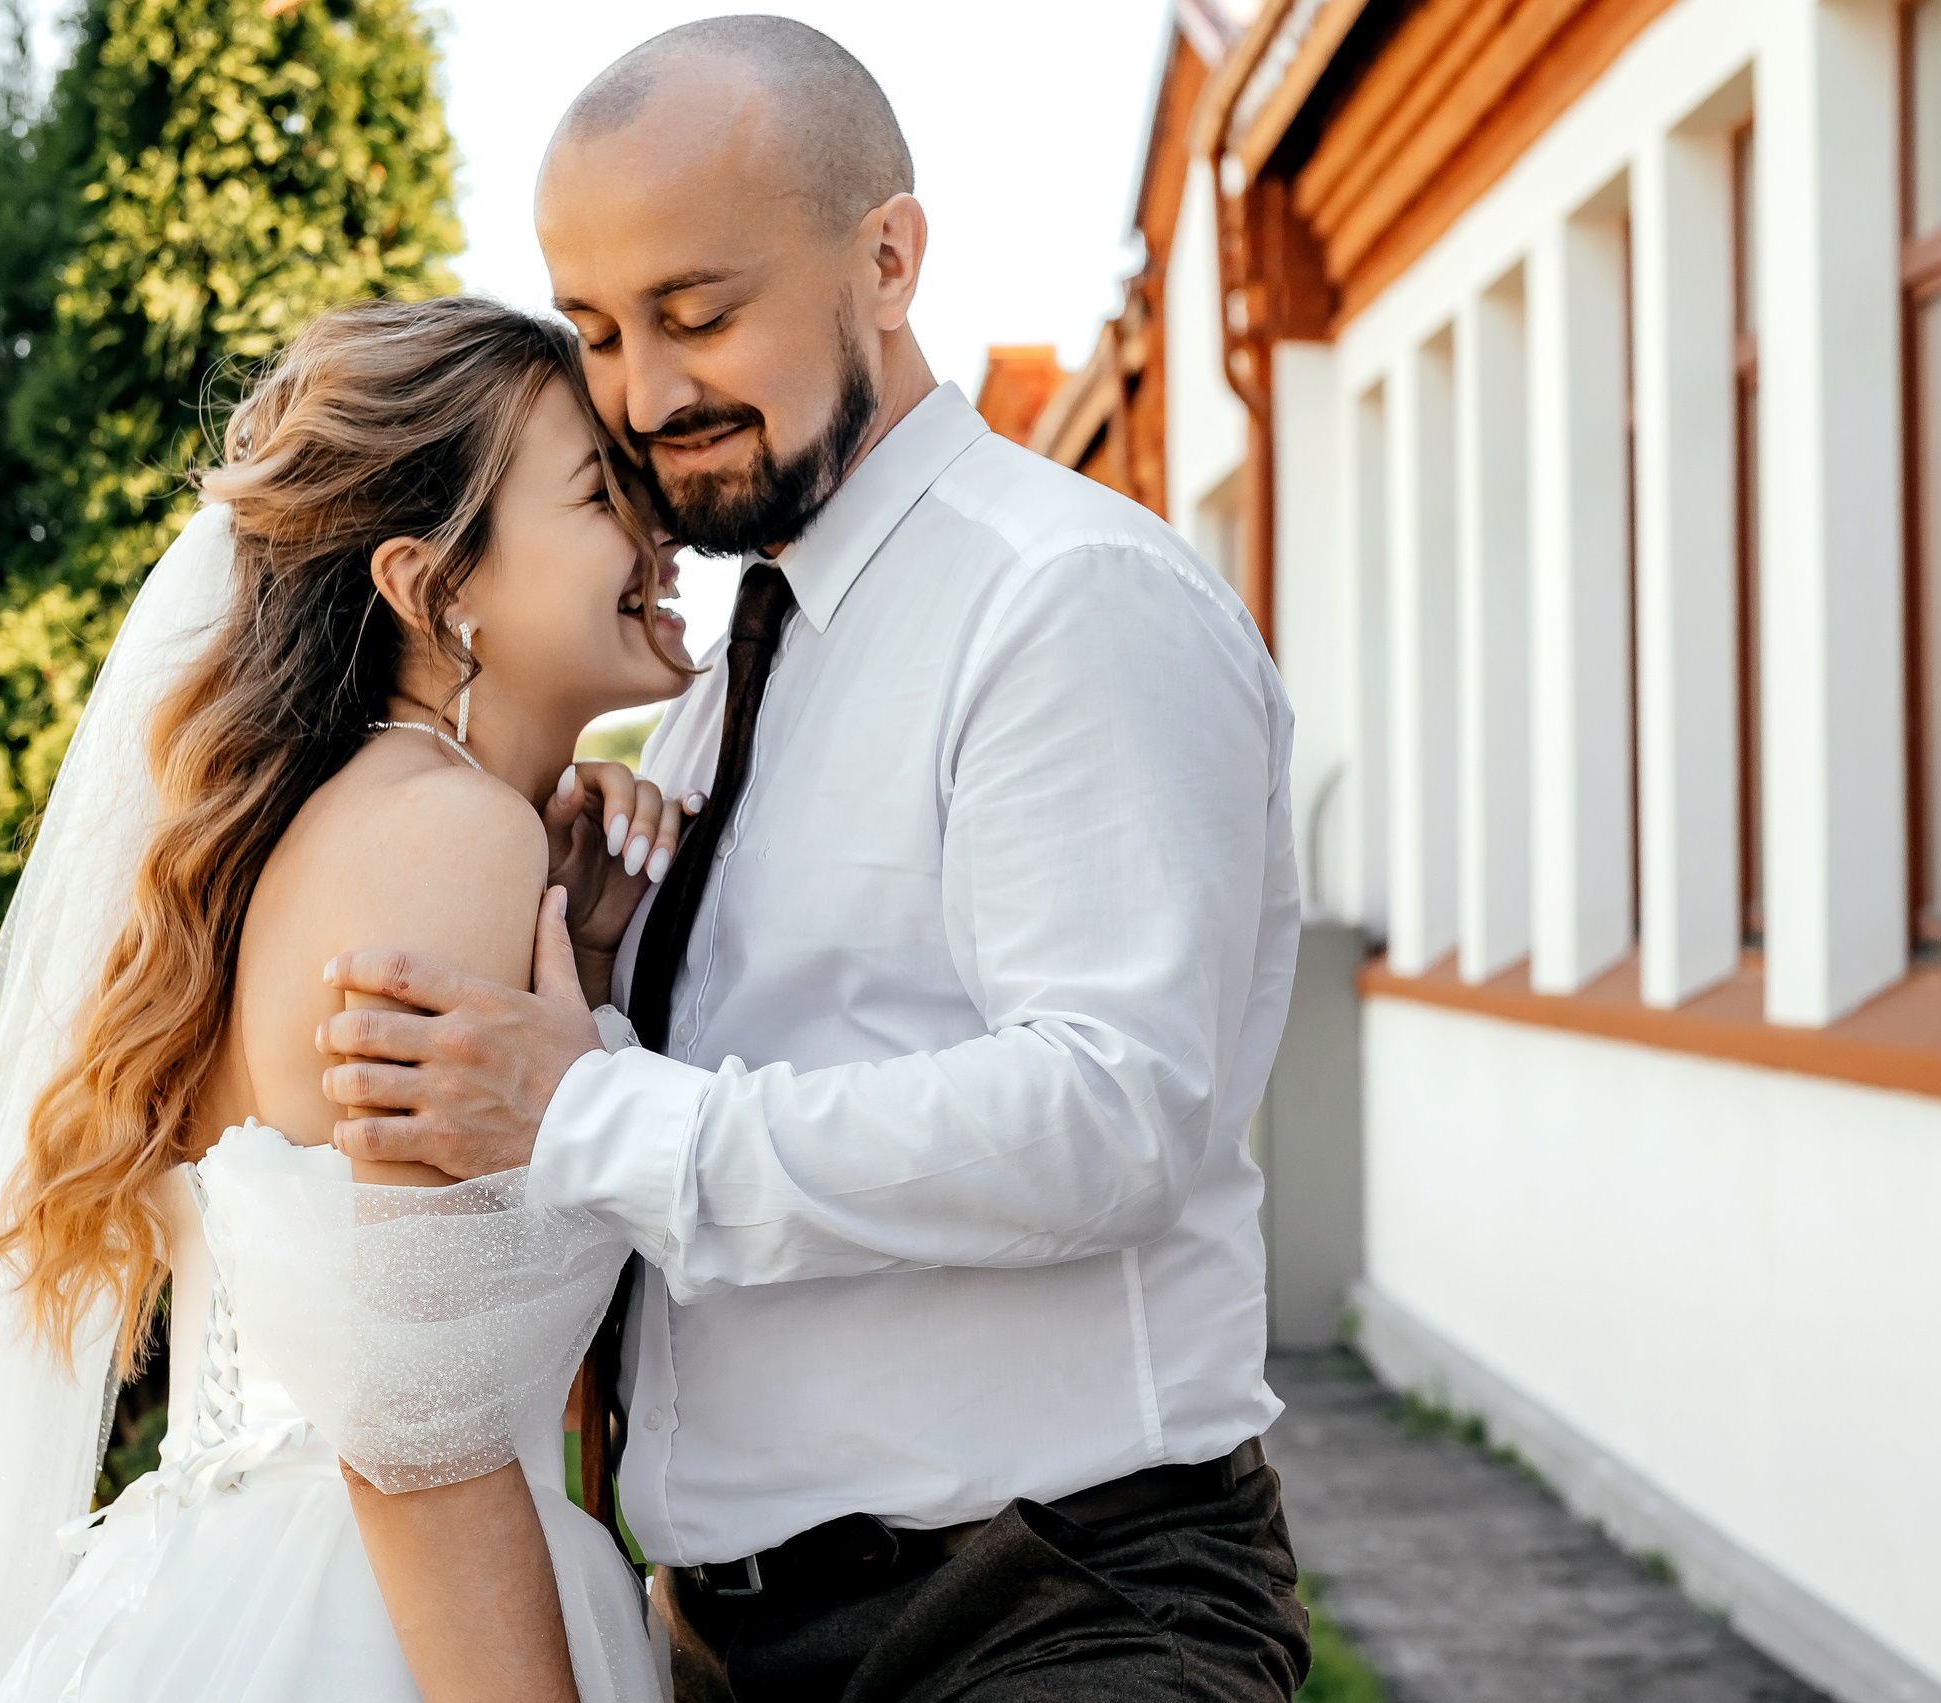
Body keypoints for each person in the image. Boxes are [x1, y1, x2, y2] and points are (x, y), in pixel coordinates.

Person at [322, 18, 1310, 1700]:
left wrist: (588, 1107)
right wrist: (604, 960)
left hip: (1052, 1612)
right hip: (729, 1637)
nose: (647, 395)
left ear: (889, 258)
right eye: (601, 332)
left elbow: (1113, 1111)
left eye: (702, 313)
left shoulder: (1061, 600)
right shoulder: (718, 695)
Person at [0, 297, 696, 1703]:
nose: (662, 533)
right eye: (601, 494)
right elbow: (414, 1424)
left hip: (207, 1591)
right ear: (432, 583)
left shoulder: (358, 830)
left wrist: (586, 946)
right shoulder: (446, 836)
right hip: (387, 1624)